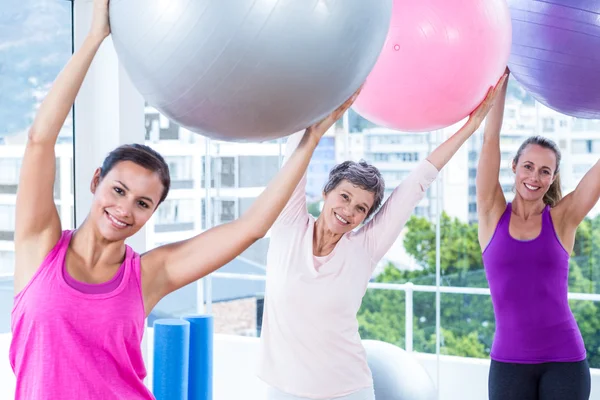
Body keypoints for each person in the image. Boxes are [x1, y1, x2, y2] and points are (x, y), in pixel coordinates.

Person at [8, 1, 360, 399]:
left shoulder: (149, 275)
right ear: (95, 181)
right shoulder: (40, 247)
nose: (125, 209)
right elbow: (40, 140)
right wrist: (94, 38)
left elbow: (251, 228)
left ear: (153, 213)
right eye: (118, 190)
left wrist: (310, 139)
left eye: (143, 203)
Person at [257, 73, 509, 399]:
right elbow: (298, 150)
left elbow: (420, 179)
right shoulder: (289, 223)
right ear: (326, 192)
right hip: (283, 389)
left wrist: (470, 128)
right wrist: (330, 85)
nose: (348, 211)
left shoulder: (365, 247)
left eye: (361, 208)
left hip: (347, 390)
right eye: (344, 197)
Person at [477, 70, 594, 400]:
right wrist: (502, 79)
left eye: (545, 171)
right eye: (528, 166)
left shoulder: (563, 219)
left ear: (553, 177)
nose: (534, 176)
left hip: (565, 360)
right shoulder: (490, 212)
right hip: (508, 362)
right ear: (514, 166)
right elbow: (490, 139)